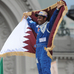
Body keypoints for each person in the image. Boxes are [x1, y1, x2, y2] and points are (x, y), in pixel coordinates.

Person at [25, 2, 64, 74]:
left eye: (40, 18)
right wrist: (27, 17)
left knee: (45, 69)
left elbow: (53, 18)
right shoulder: (37, 27)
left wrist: (57, 9)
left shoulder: (48, 26)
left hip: (45, 50)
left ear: (45, 18)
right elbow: (31, 23)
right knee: (40, 70)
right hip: (38, 51)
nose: (38, 19)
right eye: (38, 18)